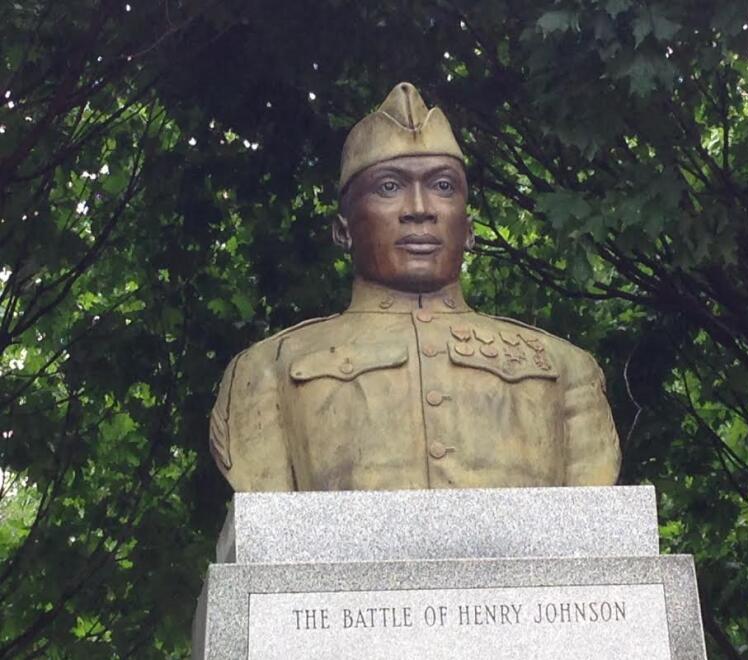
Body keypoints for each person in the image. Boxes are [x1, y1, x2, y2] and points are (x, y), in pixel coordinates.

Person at [209, 82, 620, 491]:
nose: (420, 210)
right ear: (342, 231)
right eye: (389, 187)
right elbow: (270, 524)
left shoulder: (566, 368)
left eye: (443, 186)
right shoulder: (266, 369)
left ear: (469, 230)